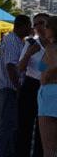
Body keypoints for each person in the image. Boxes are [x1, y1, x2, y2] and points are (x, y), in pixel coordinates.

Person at [0, 14, 32, 157]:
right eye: (29, 26)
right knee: (9, 124)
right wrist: (18, 88)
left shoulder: (19, 41)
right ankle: (4, 153)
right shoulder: (12, 40)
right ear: (22, 26)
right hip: (11, 89)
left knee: (12, 124)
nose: (30, 29)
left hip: (12, 88)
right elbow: (11, 66)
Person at [16, 13, 49, 157]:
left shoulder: (54, 45)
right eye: (35, 24)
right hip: (31, 86)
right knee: (24, 127)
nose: (38, 27)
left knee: (45, 129)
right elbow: (20, 68)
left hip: (49, 88)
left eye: (41, 23)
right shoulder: (30, 43)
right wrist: (29, 53)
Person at [38, 16, 57, 156]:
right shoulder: (48, 47)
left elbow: (54, 64)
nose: (44, 29)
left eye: (47, 26)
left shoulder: (52, 47)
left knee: (49, 148)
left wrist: (46, 76)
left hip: (50, 93)